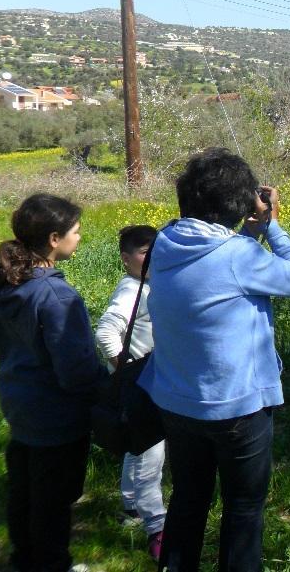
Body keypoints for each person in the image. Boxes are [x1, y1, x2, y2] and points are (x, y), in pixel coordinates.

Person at [138, 148, 290, 572]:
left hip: (176, 401)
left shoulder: (164, 242)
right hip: (236, 410)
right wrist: (273, 228)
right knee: (244, 508)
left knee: (188, 500)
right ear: (238, 205)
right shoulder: (239, 255)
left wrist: (246, 233)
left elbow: (216, 266)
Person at [0, 193, 107, 572]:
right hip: (56, 417)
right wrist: (110, 389)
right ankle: (53, 564)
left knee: (24, 494)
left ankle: (25, 560)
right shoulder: (56, 295)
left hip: (20, 407)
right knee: (53, 504)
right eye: (76, 231)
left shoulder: (9, 282)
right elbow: (76, 372)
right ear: (54, 239)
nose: (80, 237)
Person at [95, 224, 165, 561]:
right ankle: (157, 526)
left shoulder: (149, 285)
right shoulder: (131, 289)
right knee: (151, 452)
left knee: (136, 448)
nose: (150, 257)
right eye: (143, 252)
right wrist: (123, 368)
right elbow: (107, 330)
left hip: (147, 381)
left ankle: (131, 506)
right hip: (141, 381)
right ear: (126, 259)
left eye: (155, 250)